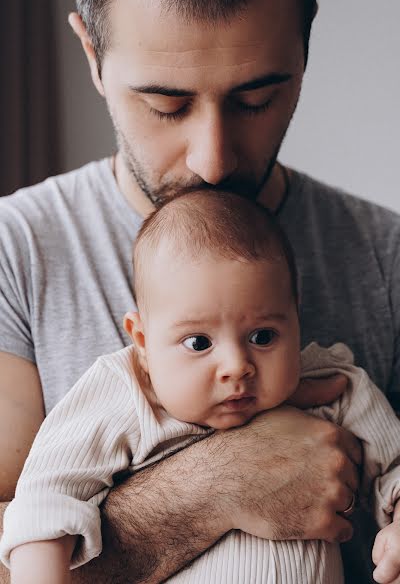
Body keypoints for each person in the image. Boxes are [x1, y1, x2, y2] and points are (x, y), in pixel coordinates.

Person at [0, 0, 399, 582]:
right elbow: (28, 529)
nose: (212, 162)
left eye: (257, 98)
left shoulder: (387, 257)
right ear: (92, 54)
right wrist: (213, 489)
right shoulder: (15, 254)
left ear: (306, 41)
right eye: (166, 104)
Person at [2, 189, 400, 584]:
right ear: (142, 342)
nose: (236, 367)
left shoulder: (331, 383)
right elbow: (46, 503)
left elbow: (395, 466)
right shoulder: (126, 393)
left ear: (295, 315)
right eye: (198, 343)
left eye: (262, 336)